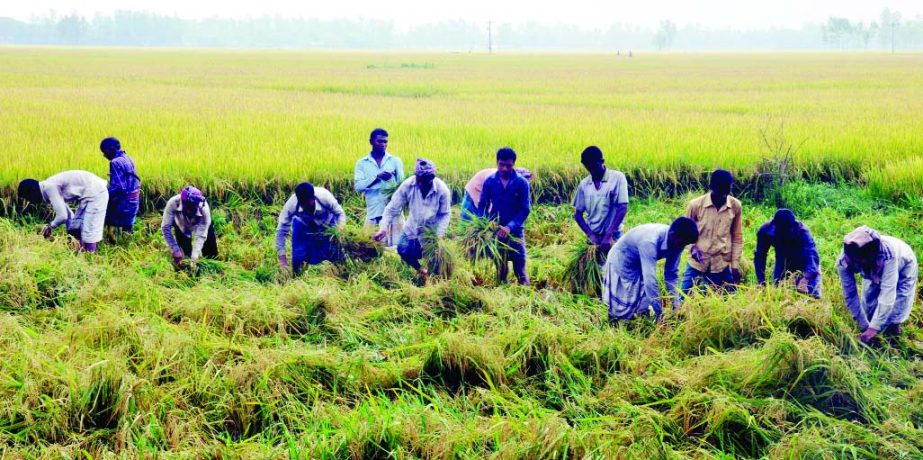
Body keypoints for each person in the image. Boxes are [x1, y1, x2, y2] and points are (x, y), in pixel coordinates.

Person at [603, 217, 699, 324]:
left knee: (642, 300)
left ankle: (639, 324)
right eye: (682, 243)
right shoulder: (650, 241)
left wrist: (675, 304)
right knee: (622, 302)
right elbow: (650, 280)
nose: (682, 247)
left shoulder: (678, 243)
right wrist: (660, 312)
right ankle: (614, 324)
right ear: (672, 235)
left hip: (639, 263)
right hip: (621, 260)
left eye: (685, 244)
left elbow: (671, 275)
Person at [837, 226, 917, 344]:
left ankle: (893, 334)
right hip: (873, 264)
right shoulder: (844, 260)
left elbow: (887, 294)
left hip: (903, 263)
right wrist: (864, 326)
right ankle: (873, 329)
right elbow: (850, 295)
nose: (860, 262)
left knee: (899, 301)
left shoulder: (888, 255)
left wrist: (873, 328)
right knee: (869, 299)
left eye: (862, 260)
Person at [374, 158, 451, 279]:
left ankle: (433, 278)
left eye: (424, 181)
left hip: (431, 231)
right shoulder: (408, 185)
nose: (420, 184)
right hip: (412, 227)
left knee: (434, 258)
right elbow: (392, 208)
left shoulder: (442, 190)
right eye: (418, 180)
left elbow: (445, 214)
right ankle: (420, 270)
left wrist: (439, 234)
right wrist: (383, 228)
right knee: (402, 250)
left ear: (432, 178)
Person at [681, 169, 743, 294]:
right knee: (684, 297)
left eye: (727, 191)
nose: (723, 196)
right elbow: (684, 233)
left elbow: (737, 236)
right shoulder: (695, 205)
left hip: (721, 263)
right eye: (720, 192)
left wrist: (735, 265)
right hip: (697, 263)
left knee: (729, 300)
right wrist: (693, 248)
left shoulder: (735, 206)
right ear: (711, 187)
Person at [477, 147, 532, 285]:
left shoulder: (521, 183)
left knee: (520, 268)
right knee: (501, 268)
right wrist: (486, 225)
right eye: (501, 164)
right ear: (497, 162)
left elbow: (525, 209)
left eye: (508, 165)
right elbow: (482, 205)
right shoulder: (489, 181)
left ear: (513, 164)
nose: (505, 168)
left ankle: (525, 296)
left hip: (515, 231)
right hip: (496, 230)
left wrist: (510, 227)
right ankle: (502, 294)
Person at [17, 170, 109, 252]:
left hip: (96, 193)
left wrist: (50, 226)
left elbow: (62, 216)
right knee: (77, 226)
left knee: (89, 229)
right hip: (90, 193)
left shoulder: (49, 187)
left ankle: (90, 259)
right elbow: (68, 215)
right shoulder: (49, 186)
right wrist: (71, 236)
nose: (30, 201)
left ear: (32, 191)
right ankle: (81, 253)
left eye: (28, 198)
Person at [276, 182, 346, 275]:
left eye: (309, 205)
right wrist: (282, 260)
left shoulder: (325, 196)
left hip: (327, 224)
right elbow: (281, 230)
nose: (307, 209)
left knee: (335, 253)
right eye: (303, 206)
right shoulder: (291, 205)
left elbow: (340, 213)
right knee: (298, 256)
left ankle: (342, 274)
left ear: (313, 198)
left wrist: (338, 232)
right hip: (303, 225)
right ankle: (296, 277)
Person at [573, 146, 629, 254]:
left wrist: (608, 235)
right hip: (593, 239)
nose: (592, 171)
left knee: (614, 268)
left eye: (594, 167)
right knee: (594, 269)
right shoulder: (584, 184)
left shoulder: (617, 178)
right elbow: (578, 214)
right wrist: (590, 235)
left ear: (602, 161)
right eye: (588, 168)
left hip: (613, 237)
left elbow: (622, 208)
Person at [754, 209, 821, 298]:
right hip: (782, 261)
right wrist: (761, 281)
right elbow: (760, 256)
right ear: (774, 225)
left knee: (811, 296)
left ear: (793, 225)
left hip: (804, 263)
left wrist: (805, 279)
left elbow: (812, 259)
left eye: (787, 231)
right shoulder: (765, 231)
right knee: (779, 295)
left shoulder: (802, 232)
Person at [355, 128, 404, 247]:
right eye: (380, 141)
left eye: (385, 142)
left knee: (397, 246)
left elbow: (402, 187)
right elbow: (358, 187)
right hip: (373, 210)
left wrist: (391, 181)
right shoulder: (362, 163)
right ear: (371, 142)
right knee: (372, 246)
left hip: (393, 210)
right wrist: (377, 178)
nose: (383, 144)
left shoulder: (395, 161)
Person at [161, 186, 217, 268]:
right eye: (188, 208)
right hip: (181, 225)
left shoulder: (204, 208)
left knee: (211, 252)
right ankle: (187, 271)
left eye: (193, 208)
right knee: (184, 257)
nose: (190, 211)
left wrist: (194, 257)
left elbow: (201, 235)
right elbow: (166, 227)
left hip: (200, 224)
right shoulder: (173, 203)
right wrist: (175, 249)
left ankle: (211, 268)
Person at [100, 137, 141, 234]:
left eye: (104, 152)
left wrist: (103, 193)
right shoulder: (127, 157)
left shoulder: (115, 162)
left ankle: (109, 240)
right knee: (127, 228)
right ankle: (128, 242)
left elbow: (119, 187)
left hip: (125, 204)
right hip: (134, 202)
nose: (104, 155)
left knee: (101, 215)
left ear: (111, 149)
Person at [461, 167, 533, 221]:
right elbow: (491, 200)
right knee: (470, 223)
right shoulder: (495, 178)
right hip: (473, 194)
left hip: (484, 198)